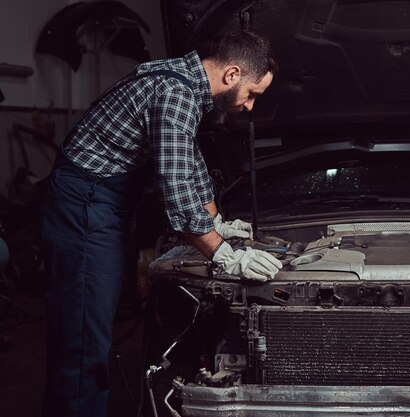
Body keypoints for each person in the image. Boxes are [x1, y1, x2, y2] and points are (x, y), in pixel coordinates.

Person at [40, 30, 281, 417]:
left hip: (101, 202)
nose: (251, 107)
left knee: (90, 333)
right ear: (232, 74)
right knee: (84, 344)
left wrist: (217, 221)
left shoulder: (184, 85)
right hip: (85, 205)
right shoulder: (175, 95)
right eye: (252, 94)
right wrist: (223, 254)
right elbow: (174, 187)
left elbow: (189, 164)